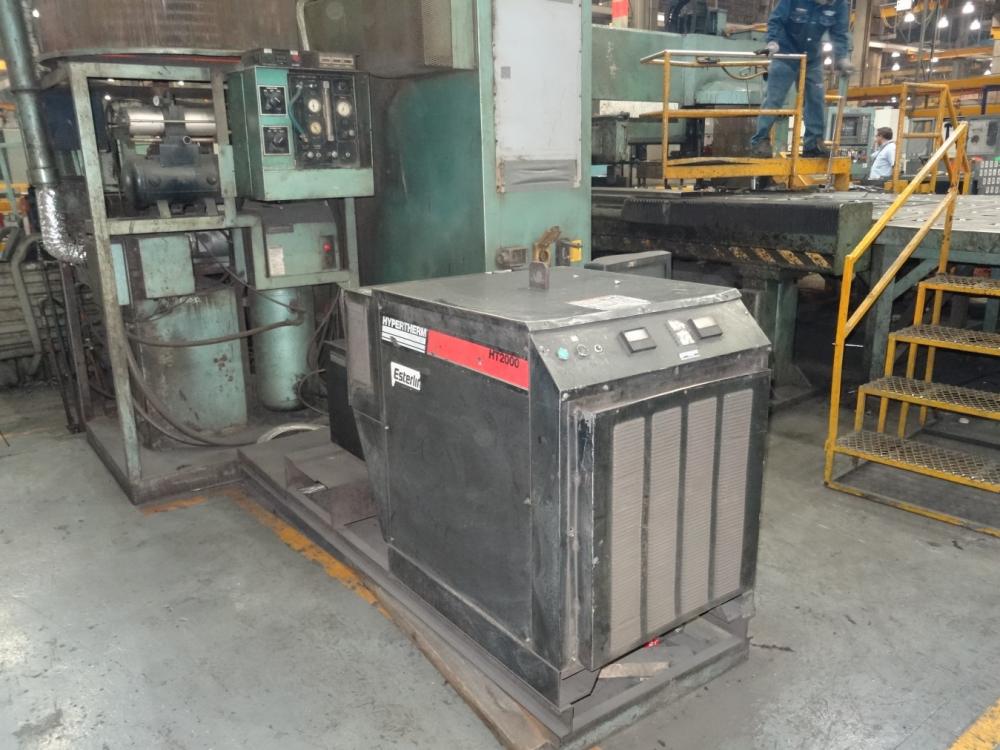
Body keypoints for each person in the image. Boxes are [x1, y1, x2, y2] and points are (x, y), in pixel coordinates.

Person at [750, 0, 852, 159]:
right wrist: (772, 41)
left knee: (816, 100)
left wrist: (842, 58)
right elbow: (776, 20)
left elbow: (839, 34)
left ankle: (813, 144)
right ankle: (760, 141)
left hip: (812, 59)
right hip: (785, 54)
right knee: (774, 98)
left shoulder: (838, 4)